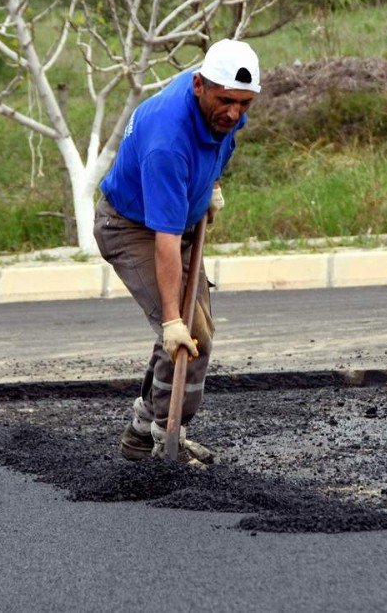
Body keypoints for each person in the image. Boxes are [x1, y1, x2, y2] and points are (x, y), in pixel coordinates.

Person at [94, 39, 260, 467]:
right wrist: (170, 320)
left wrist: (208, 187)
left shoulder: (224, 110)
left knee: (194, 333)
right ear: (199, 85)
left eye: (245, 103)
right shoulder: (167, 140)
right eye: (226, 101)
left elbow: (218, 147)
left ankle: (140, 432)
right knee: (188, 335)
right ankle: (164, 436)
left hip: (180, 221)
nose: (235, 113)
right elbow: (163, 241)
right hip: (131, 228)